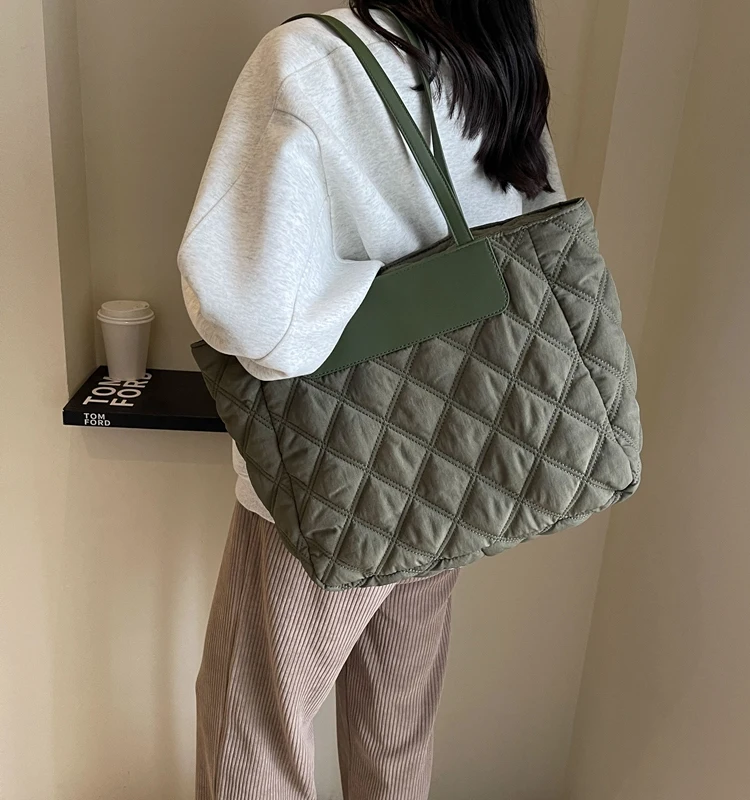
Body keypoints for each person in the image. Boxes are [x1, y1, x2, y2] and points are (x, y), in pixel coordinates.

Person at [178, 2, 566, 798]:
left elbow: (245, 309)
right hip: (457, 459)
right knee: (395, 734)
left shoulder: (307, 60)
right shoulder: (494, 59)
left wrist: (342, 304)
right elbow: (527, 239)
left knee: (253, 736)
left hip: (334, 467)